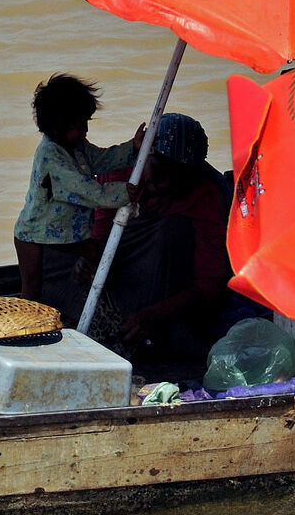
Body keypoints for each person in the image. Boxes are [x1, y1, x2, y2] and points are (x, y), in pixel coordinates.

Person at [95, 113, 233, 376]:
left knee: (171, 229)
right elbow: (98, 235)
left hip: (169, 288)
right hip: (121, 267)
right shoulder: (118, 171)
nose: (166, 184)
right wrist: (90, 261)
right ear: (143, 156)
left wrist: (152, 315)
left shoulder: (208, 194)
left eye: (179, 177)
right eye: (158, 172)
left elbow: (210, 285)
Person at [12, 74, 140, 320]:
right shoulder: (51, 155)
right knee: (31, 295)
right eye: (78, 125)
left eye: (86, 122)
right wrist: (123, 193)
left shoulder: (76, 145)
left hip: (63, 233)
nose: (85, 130)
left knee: (99, 255)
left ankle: (93, 300)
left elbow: (101, 159)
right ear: (56, 128)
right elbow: (86, 190)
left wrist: (132, 148)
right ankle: (24, 334)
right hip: (34, 236)